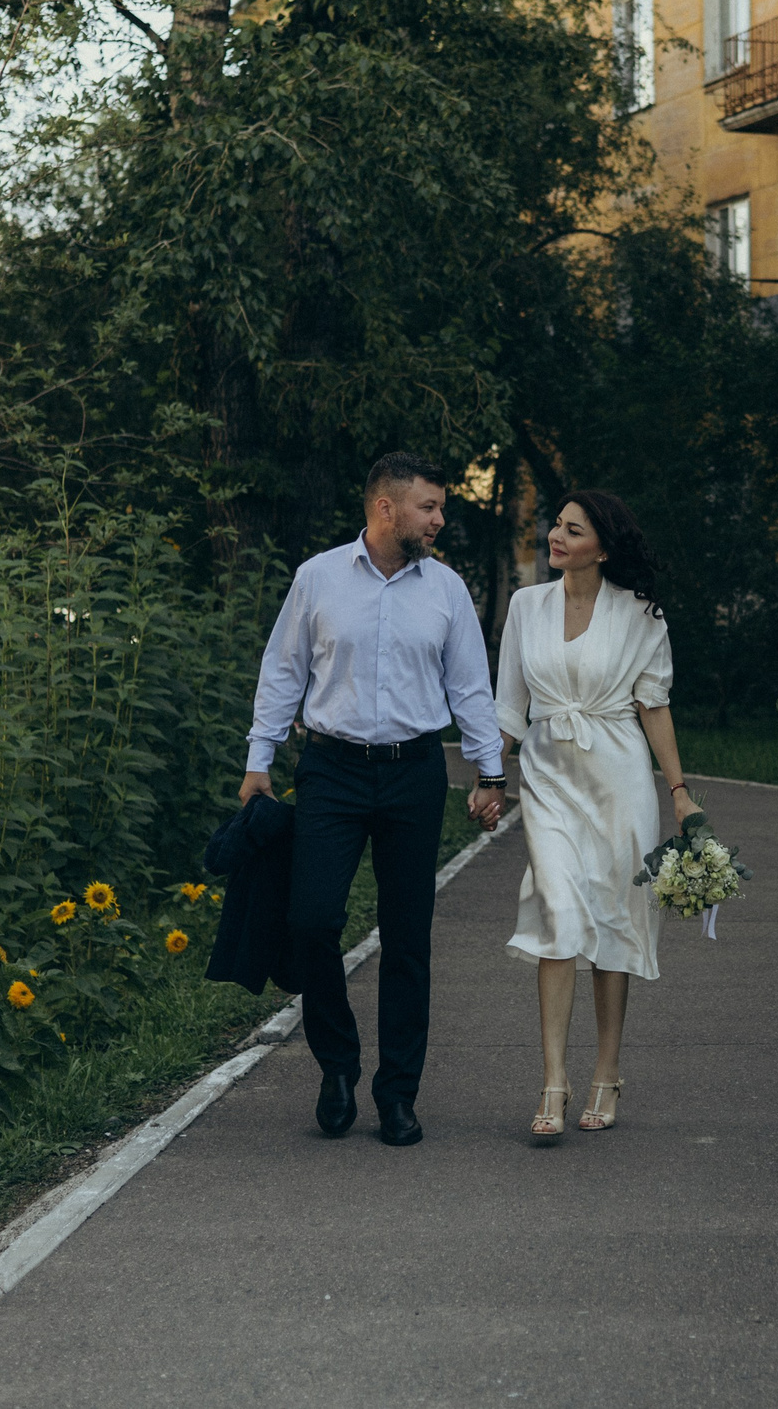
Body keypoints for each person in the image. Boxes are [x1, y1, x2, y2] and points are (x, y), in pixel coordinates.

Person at [240, 453, 507, 1148]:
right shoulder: (319, 578)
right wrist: (258, 760)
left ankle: (397, 1094)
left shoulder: (446, 589)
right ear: (386, 509)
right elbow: (283, 670)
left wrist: (490, 772)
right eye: (429, 507)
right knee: (311, 921)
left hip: (413, 772)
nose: (440, 519)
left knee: (408, 937)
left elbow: (471, 686)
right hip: (331, 769)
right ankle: (337, 1067)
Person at [494, 490, 701, 1137]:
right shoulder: (526, 606)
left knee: (614, 915)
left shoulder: (640, 614)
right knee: (558, 908)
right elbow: (508, 705)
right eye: (556, 523)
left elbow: (654, 705)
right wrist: (491, 775)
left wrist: (680, 791)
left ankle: (605, 1073)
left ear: (602, 547)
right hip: (549, 777)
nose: (555, 534)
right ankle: (553, 1081)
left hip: (618, 777)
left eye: (572, 528)